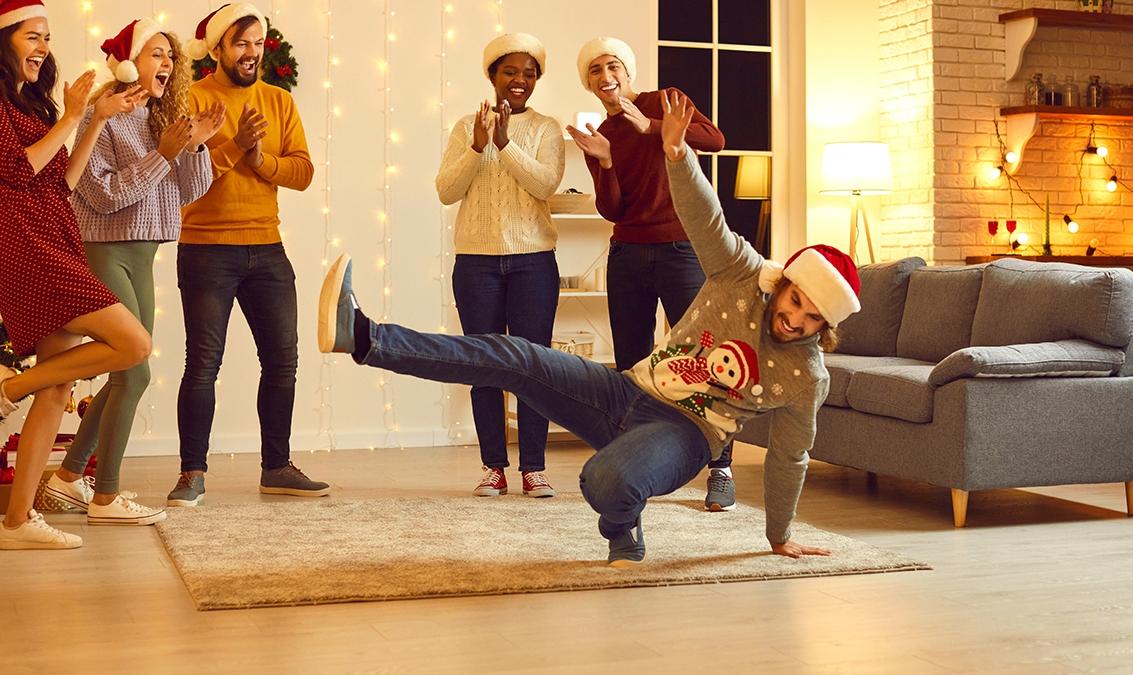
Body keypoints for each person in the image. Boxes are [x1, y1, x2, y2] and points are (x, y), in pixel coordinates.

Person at [319, 91, 859, 566]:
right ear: (783, 282)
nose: (796, 321)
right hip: (624, 390)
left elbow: (791, 455)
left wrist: (779, 535)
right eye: (796, 301)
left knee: (604, 479)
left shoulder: (804, 376)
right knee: (510, 355)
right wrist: (675, 154)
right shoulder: (740, 274)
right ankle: (363, 337)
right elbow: (706, 217)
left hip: (686, 434)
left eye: (814, 319)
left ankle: (622, 530)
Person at [41, 18, 222, 526]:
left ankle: (68, 478)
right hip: (104, 251)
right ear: (129, 62)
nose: (165, 63)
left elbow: (188, 191)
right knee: (134, 370)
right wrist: (163, 155)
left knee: (128, 373)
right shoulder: (105, 116)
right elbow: (105, 193)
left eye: (170, 56)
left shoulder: (161, 119)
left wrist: (193, 145)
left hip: (145, 254)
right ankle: (106, 496)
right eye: (155, 53)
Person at [0, 0, 152, 549]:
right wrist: (71, 115)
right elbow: (18, 171)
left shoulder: (31, 104)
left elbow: (59, 180)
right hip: (27, 248)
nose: (43, 47)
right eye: (31, 37)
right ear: (5, 41)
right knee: (134, 343)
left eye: (46, 37)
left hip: (53, 234)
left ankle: (16, 522)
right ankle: (9, 386)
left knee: (59, 382)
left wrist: (96, 118)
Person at [565, 37, 739, 513]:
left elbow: (714, 140)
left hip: (682, 249)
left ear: (628, 71)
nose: (606, 76)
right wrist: (603, 162)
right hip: (628, 255)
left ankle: (720, 468)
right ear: (589, 83)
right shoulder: (602, 133)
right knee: (633, 366)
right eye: (595, 70)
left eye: (613, 65)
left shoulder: (665, 101)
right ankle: (633, 463)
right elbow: (612, 208)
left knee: (705, 358)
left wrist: (652, 126)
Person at [166, 2, 324, 507]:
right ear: (217, 49)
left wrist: (261, 160)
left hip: (267, 249)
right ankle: (193, 472)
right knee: (203, 363)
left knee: (283, 361)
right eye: (241, 43)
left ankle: (276, 467)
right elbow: (183, 184)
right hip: (207, 251)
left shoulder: (278, 101)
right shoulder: (189, 99)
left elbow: (302, 172)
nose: (252, 53)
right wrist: (235, 148)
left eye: (258, 43)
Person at [433, 33, 564, 499]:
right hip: (477, 265)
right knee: (484, 365)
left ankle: (533, 468)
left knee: (533, 366)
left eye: (529, 74)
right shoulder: (467, 125)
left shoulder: (548, 129)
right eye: (511, 71)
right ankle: (493, 467)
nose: (520, 81)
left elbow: (546, 184)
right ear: (492, 75)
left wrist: (505, 144)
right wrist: (477, 145)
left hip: (533, 262)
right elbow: (446, 190)